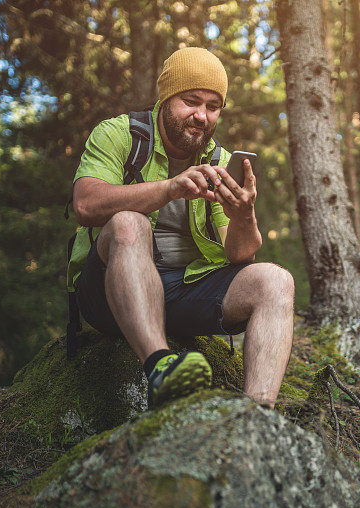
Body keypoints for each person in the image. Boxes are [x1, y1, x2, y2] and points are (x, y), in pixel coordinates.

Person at [67, 47, 294, 406]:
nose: (201, 116)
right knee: (129, 224)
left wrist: (243, 214)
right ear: (167, 97)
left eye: (213, 106)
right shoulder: (119, 135)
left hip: (182, 294)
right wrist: (169, 188)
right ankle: (161, 368)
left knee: (276, 281)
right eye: (191, 101)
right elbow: (85, 204)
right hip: (109, 293)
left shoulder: (219, 161)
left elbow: (239, 254)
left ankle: (258, 417)